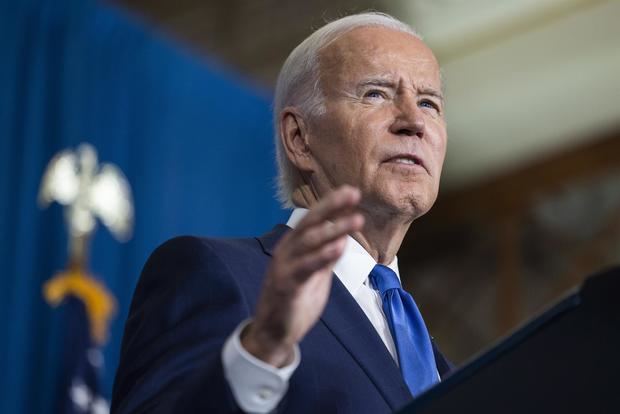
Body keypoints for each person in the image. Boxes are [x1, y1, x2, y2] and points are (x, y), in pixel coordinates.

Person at [112, 12, 452, 414]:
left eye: (429, 102)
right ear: (299, 138)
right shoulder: (222, 275)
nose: (414, 122)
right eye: (376, 94)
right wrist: (262, 349)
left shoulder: (440, 362)